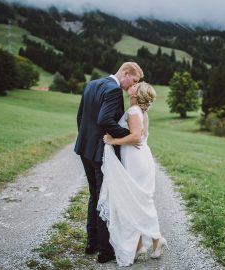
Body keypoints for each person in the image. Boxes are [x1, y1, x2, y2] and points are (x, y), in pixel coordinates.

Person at [74, 62, 144, 263]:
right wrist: (127, 135)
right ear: (125, 73)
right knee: (105, 196)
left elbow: (80, 116)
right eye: (134, 80)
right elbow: (105, 119)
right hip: (99, 151)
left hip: (85, 148)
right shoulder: (113, 89)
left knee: (94, 194)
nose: (133, 85)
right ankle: (105, 251)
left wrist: (86, 139)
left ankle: (92, 242)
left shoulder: (92, 83)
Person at [98, 82, 167, 267]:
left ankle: (156, 240)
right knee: (135, 200)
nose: (133, 85)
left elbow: (136, 136)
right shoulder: (139, 111)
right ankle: (139, 246)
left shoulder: (135, 111)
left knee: (138, 200)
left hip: (137, 159)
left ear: (137, 94)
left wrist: (113, 140)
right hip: (139, 157)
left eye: (137, 85)